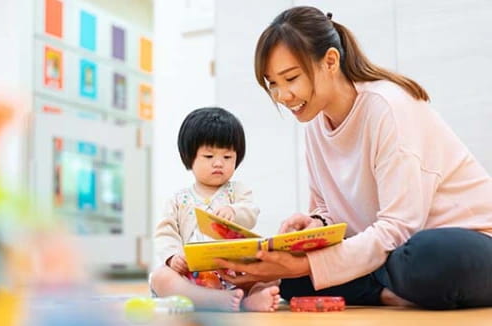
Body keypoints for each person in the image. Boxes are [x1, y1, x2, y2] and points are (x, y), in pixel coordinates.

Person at [215, 6, 492, 310]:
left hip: (468, 242)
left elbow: (399, 228)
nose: (282, 95)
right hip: (393, 251)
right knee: (293, 279)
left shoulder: (388, 107)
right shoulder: (315, 124)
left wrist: (312, 264)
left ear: (330, 61)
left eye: (290, 78)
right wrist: (314, 223)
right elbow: (328, 209)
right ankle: (389, 292)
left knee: (426, 257)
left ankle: (382, 287)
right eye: (273, 84)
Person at [149, 107, 280, 312]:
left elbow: (250, 213)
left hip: (234, 272)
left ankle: (249, 300)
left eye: (227, 157)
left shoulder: (237, 192)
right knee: (160, 277)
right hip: (191, 273)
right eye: (209, 156)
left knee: (271, 276)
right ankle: (206, 299)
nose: (218, 163)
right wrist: (173, 257)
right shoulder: (178, 199)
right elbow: (165, 232)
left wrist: (234, 211)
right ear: (189, 157)